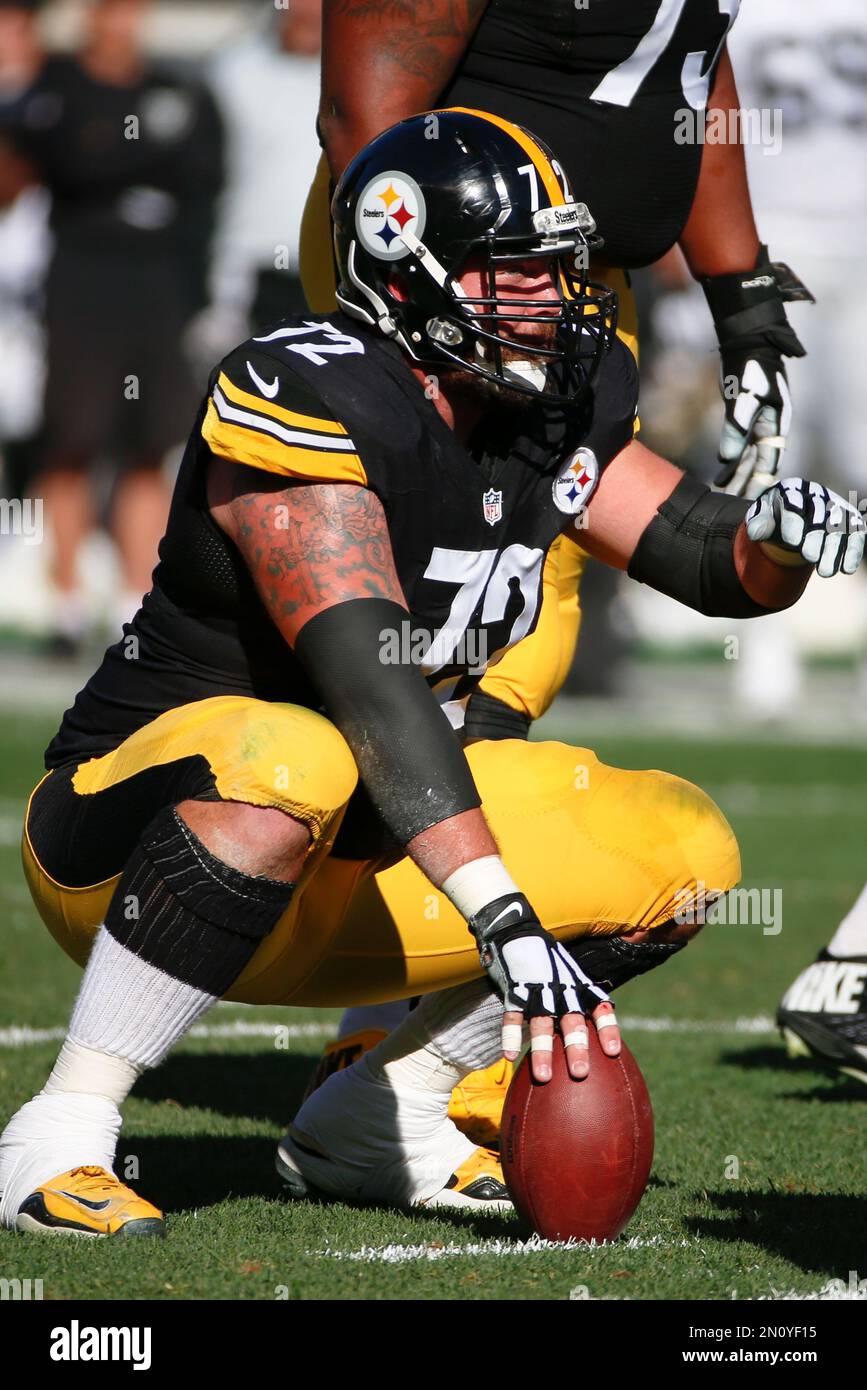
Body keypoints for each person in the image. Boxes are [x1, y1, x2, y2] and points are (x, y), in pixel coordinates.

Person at [1, 110, 861, 1236]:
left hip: (360, 853)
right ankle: (63, 1126)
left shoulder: (547, 401)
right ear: (408, 269)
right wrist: (503, 919)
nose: (559, 298)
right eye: (518, 274)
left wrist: (776, 541)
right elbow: (368, 683)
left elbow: (703, 557)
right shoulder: (311, 394)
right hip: (136, 839)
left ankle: (380, 1108)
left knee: (681, 846)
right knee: (296, 752)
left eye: (561, 270)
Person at [297, 0, 815, 1132]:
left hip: (562, 289)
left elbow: (684, 65)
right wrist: (422, 338)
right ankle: (355, 1026)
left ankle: (396, 1051)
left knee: (521, 629)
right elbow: (365, 120)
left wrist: (740, 292)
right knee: (430, 624)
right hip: (446, 281)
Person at [7, 0, 224, 648]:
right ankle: (65, 606)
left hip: (155, 287)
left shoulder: (177, 89)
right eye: (107, 10)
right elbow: (55, 162)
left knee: (146, 447)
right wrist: (119, 166)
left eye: (131, 9)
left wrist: (106, 161)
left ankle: (136, 602)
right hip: (80, 282)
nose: (120, 22)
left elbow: (202, 179)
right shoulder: (56, 86)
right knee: (71, 441)